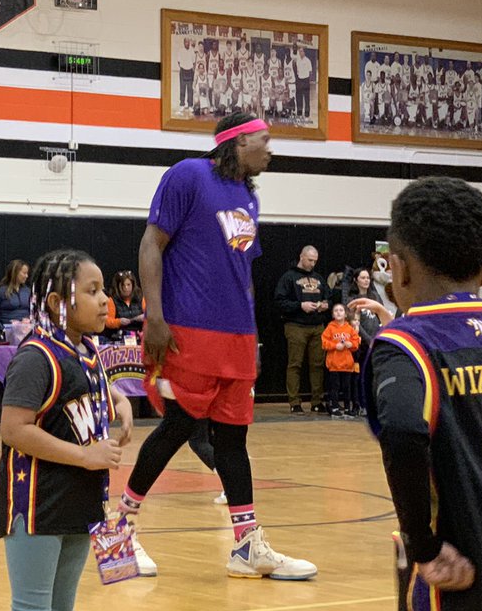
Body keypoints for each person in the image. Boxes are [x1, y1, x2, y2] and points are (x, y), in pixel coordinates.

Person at [120, 112, 316, 580]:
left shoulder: (248, 196)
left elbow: (240, 273)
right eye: (264, 140)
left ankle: (247, 546)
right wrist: (155, 315)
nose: (271, 149)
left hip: (237, 337)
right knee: (179, 426)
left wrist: (251, 337)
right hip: (189, 328)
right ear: (238, 140)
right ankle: (120, 530)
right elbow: (151, 243)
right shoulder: (188, 175)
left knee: (233, 438)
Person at [359, 177, 482, 611]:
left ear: (399, 269)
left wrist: (423, 544)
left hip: (462, 571)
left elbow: (403, 431)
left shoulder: (406, 343)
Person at [0, 249, 132, 611]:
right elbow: (14, 430)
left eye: (104, 289)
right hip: (37, 505)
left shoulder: (88, 349)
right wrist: (85, 456)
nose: (105, 299)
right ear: (58, 303)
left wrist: (120, 403)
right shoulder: (35, 356)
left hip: (82, 502)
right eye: (92, 291)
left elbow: (95, 391)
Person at [275, 246, 330, 414]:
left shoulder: (319, 278)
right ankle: (294, 401)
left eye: (315, 261)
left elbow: (328, 297)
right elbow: (279, 301)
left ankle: (316, 401)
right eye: (310, 260)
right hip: (296, 325)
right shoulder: (288, 277)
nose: (312, 264)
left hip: (317, 326)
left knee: (317, 365)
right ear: (301, 256)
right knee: (295, 364)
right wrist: (300, 306)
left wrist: (325, 305)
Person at [320, 302, 360, 418]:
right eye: (336, 310)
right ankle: (335, 407)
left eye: (341, 310)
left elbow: (356, 342)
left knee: (347, 387)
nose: (338, 312)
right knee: (335, 387)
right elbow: (324, 342)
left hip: (347, 365)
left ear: (346, 314)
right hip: (334, 364)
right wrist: (334, 346)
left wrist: (350, 344)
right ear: (332, 314)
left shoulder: (349, 329)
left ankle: (347, 407)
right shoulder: (330, 328)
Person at [0, 260, 31, 336]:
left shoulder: (28, 291)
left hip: (26, 332)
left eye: (27, 273)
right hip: (9, 332)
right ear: (15, 273)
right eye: (24, 273)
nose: (27, 276)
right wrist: (2, 329)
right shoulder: (1, 291)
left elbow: (35, 312)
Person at [101, 270, 145, 344]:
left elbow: (151, 316)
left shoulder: (141, 299)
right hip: (119, 338)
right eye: (123, 285)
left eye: (128, 285)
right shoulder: (111, 301)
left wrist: (145, 317)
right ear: (118, 287)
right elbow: (107, 321)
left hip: (140, 336)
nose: (126, 288)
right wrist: (118, 322)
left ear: (133, 285)